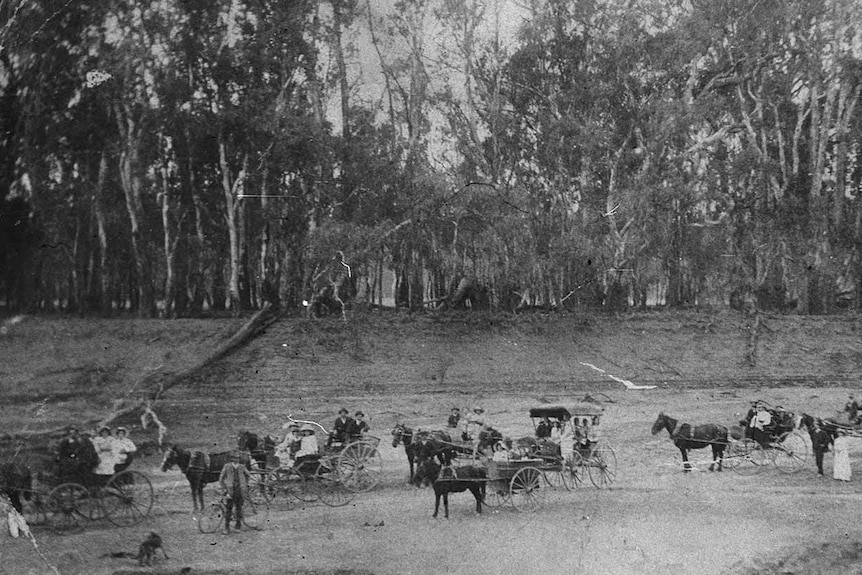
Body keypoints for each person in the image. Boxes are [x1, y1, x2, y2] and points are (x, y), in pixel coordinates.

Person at [218, 451, 251, 534]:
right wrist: (224, 488)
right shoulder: (227, 466)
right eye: (234, 458)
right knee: (228, 509)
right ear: (231, 459)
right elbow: (221, 478)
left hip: (240, 490)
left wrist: (245, 484)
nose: (236, 460)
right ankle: (226, 527)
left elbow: (248, 475)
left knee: (239, 509)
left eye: (237, 458)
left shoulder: (242, 467)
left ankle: (238, 526)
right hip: (230, 491)